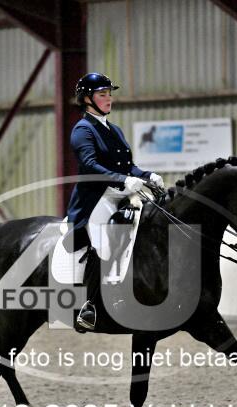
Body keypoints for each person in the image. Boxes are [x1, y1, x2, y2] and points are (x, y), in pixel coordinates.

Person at [64, 72, 164, 332]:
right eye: (102, 94)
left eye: (109, 94)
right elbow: (90, 165)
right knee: (104, 243)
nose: (109, 99)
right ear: (87, 99)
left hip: (121, 194)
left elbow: (128, 166)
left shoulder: (114, 130)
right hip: (96, 198)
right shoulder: (82, 130)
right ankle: (90, 305)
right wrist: (124, 180)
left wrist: (147, 175)